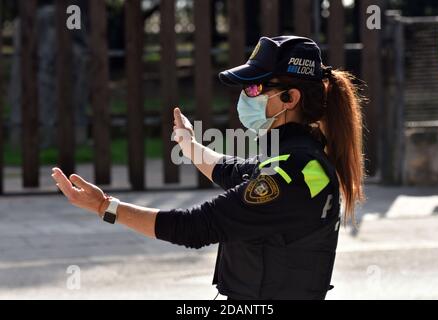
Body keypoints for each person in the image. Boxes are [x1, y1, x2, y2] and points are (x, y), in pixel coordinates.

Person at [51, 36, 366, 300]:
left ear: (289, 97)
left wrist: (105, 207)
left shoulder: (291, 170)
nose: (245, 96)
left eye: (254, 89)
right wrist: (188, 143)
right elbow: (231, 171)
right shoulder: (299, 158)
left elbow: (196, 227)